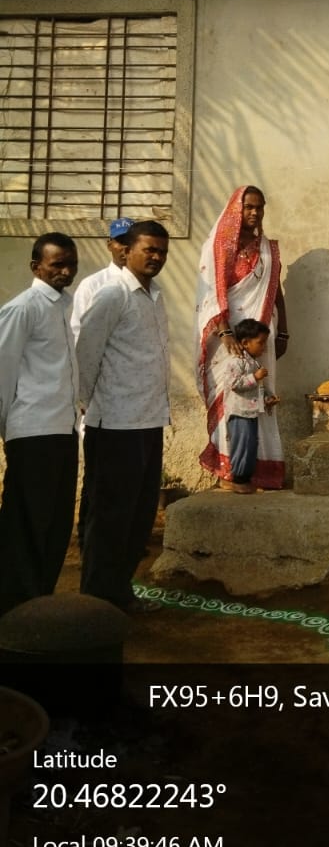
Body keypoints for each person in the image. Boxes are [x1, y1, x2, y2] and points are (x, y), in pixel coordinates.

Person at [76, 221, 171, 612]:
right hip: (114, 424)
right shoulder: (112, 295)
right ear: (126, 251)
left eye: (161, 251)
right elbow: (85, 354)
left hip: (148, 421)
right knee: (110, 517)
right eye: (149, 249)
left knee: (139, 516)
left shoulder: (155, 296)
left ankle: (118, 592)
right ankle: (96, 602)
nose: (156, 257)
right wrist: (85, 405)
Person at [0, 234, 79, 614]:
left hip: (63, 429)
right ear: (36, 267)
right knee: (26, 522)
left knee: (56, 521)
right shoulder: (22, 309)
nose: (66, 271)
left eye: (71, 264)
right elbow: (3, 373)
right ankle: (14, 606)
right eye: (57, 264)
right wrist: (8, 433)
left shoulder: (64, 306)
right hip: (32, 432)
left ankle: (40, 601)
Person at [196, 186, 288, 490]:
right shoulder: (220, 246)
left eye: (259, 207)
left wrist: (283, 330)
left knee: (262, 395)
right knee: (231, 398)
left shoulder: (267, 249)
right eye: (248, 207)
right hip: (230, 336)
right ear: (236, 210)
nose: (254, 213)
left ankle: (261, 469)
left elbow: (276, 291)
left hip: (262, 332)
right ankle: (229, 471)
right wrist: (225, 333)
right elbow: (212, 292)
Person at [70, 216, 133, 550]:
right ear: (110, 244)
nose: (125, 248)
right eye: (120, 241)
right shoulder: (93, 286)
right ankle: (88, 539)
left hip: (131, 406)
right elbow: (81, 342)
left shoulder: (147, 289)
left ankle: (120, 541)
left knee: (126, 478)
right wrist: (83, 397)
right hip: (100, 403)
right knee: (98, 477)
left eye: (131, 241)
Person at [223, 319, 281, 494]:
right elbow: (234, 384)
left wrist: (268, 399)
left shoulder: (254, 363)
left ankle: (245, 478)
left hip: (250, 412)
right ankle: (238, 479)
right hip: (239, 412)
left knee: (250, 445)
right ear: (245, 343)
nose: (264, 347)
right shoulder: (237, 362)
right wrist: (254, 377)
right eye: (260, 342)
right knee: (242, 445)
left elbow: (257, 389)